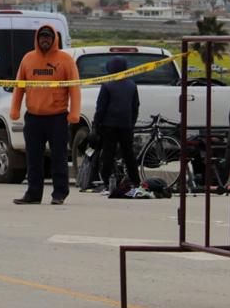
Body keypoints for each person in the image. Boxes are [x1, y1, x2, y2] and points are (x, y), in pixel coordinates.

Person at [10, 25, 80, 205]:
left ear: (54, 39)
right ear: (37, 39)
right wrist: (15, 109)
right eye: (42, 37)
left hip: (57, 117)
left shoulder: (65, 60)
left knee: (59, 158)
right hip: (33, 117)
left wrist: (74, 112)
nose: (45, 40)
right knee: (33, 158)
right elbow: (19, 86)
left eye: (48, 37)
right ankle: (33, 193)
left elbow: (74, 88)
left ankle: (59, 193)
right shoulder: (28, 59)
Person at [90, 56, 141, 191]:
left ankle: (106, 181)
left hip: (109, 125)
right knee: (129, 154)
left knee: (108, 154)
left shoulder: (107, 85)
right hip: (126, 125)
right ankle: (135, 180)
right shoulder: (132, 85)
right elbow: (135, 106)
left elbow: (101, 108)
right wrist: (131, 122)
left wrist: (96, 124)